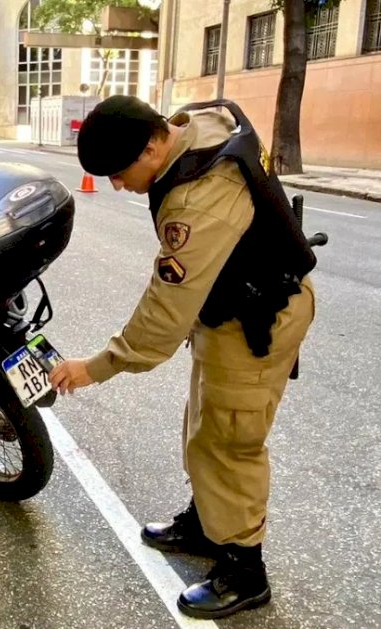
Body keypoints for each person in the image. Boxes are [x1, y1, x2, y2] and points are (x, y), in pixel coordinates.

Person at [49, 95, 316, 620]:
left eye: (121, 172)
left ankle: (243, 567)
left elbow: (164, 314)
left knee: (230, 440)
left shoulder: (200, 197)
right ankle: (206, 521)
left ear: (153, 143)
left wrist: (98, 366)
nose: (118, 186)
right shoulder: (196, 123)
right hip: (231, 310)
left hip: (258, 318)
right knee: (204, 424)